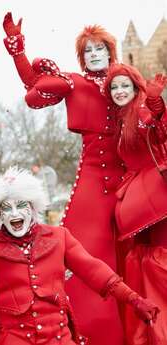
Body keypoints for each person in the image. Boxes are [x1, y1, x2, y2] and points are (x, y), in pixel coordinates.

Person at [2, 13, 126, 344]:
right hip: (93, 181)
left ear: (111, 52)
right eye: (88, 51)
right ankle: (89, 332)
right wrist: (18, 50)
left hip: (130, 182)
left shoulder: (125, 82)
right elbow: (33, 87)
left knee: (135, 255)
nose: (95, 55)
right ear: (82, 58)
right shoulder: (74, 82)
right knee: (87, 254)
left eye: (100, 49)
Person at [0, 167, 158, 345]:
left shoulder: (59, 237)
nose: (14, 213)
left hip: (58, 338)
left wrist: (134, 299)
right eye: (6, 208)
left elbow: (94, 271)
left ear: (33, 207)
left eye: (21, 205)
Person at [104, 63, 167, 344]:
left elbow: (157, 129)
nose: (119, 91)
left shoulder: (140, 110)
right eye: (114, 87)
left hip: (155, 196)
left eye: (124, 86)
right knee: (142, 261)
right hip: (138, 199)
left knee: (156, 262)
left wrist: (155, 104)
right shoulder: (120, 117)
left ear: (135, 87)